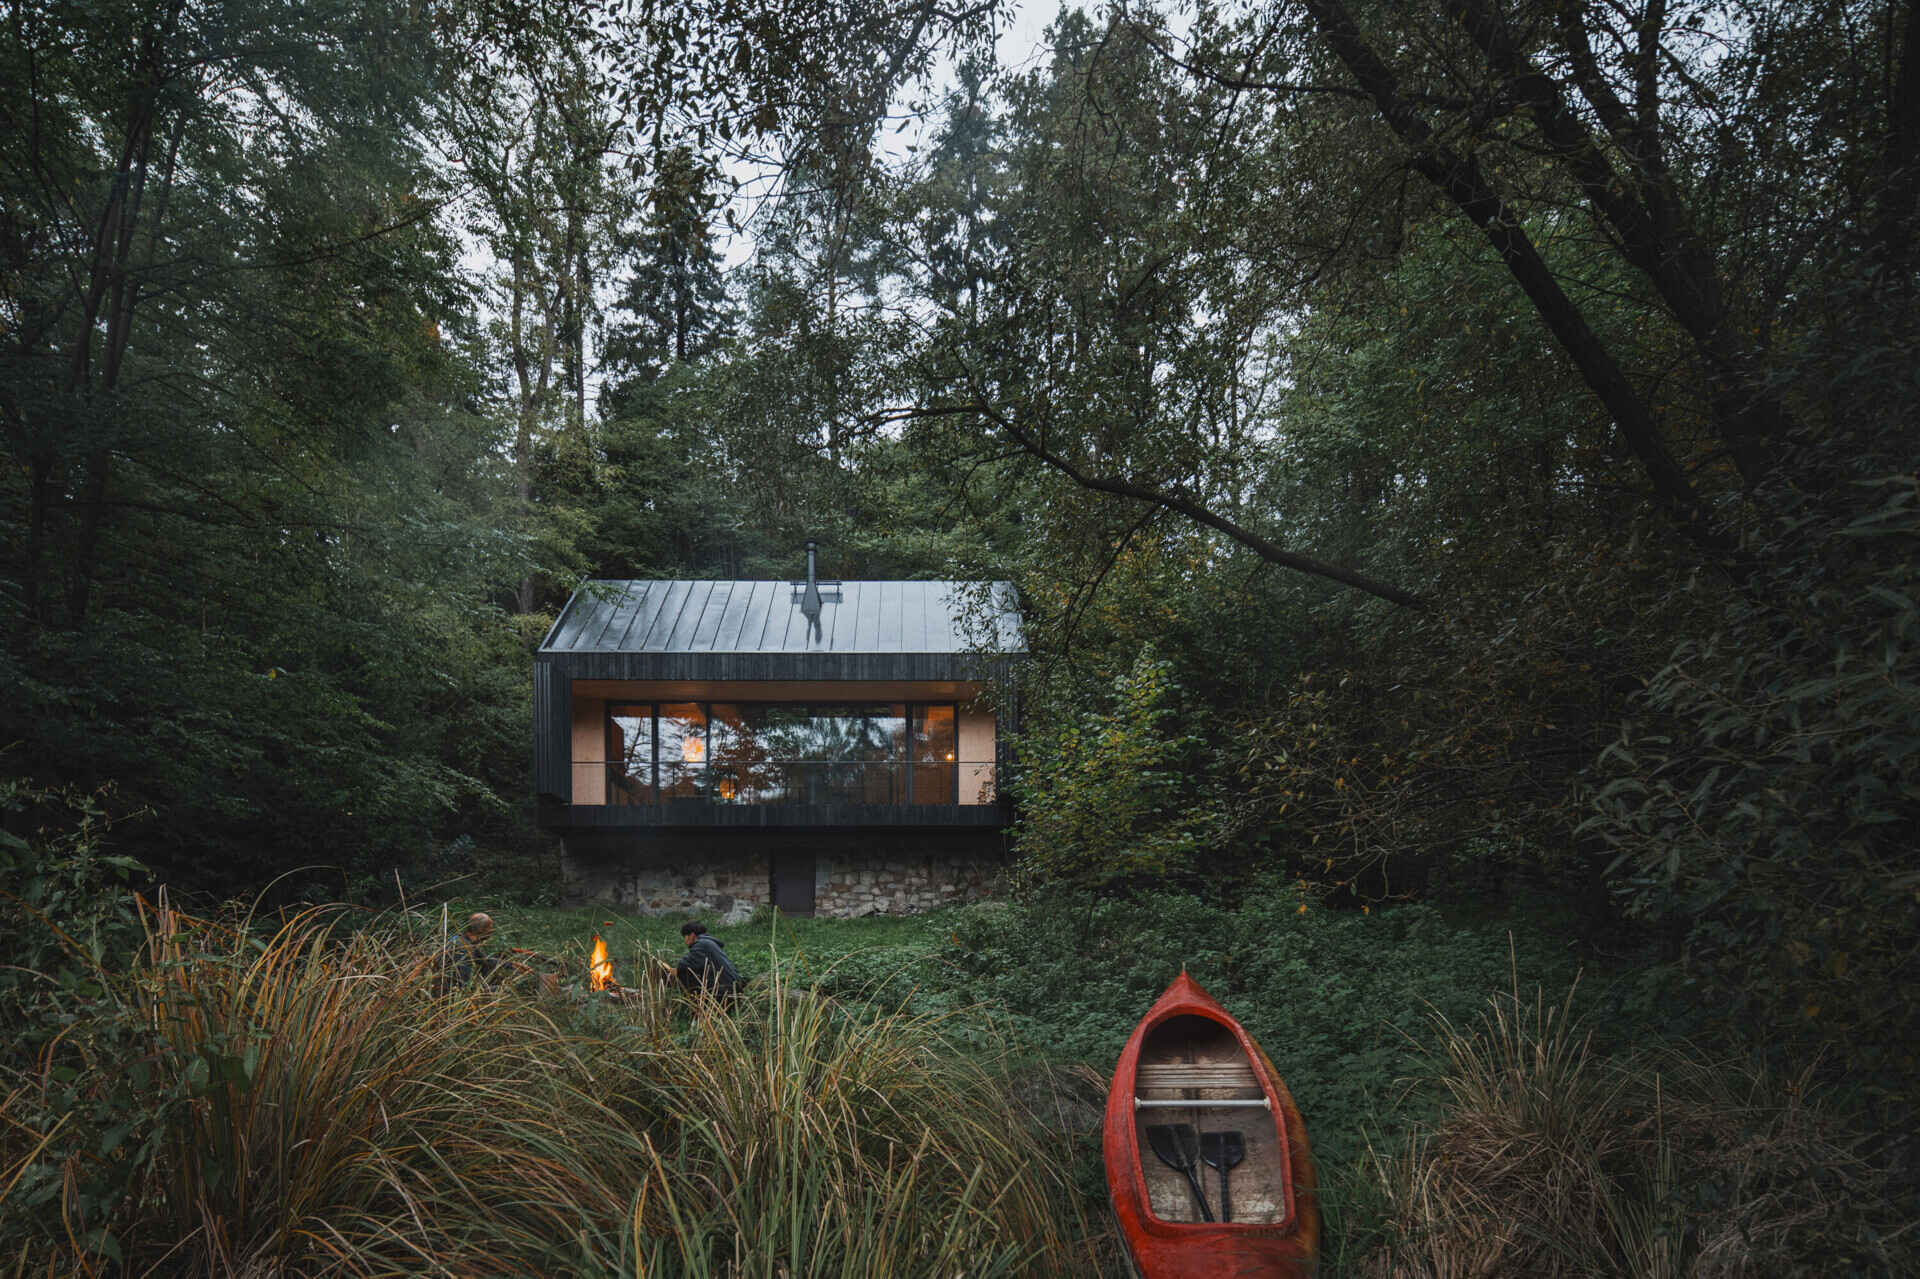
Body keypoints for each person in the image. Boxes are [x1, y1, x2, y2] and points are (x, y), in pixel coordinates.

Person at [673, 920, 743, 1001]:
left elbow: (682, 965)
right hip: (735, 987)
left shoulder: (701, 945)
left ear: (692, 935)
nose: (684, 941)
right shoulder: (710, 943)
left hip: (725, 991)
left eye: (684, 937)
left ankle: (694, 1006)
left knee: (683, 973)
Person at [441, 911, 506, 988]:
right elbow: (464, 985)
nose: (492, 931)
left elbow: (485, 960)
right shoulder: (464, 948)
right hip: (451, 990)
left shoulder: (463, 940)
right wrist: (501, 989)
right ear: (482, 930)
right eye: (490, 928)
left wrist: (512, 964)